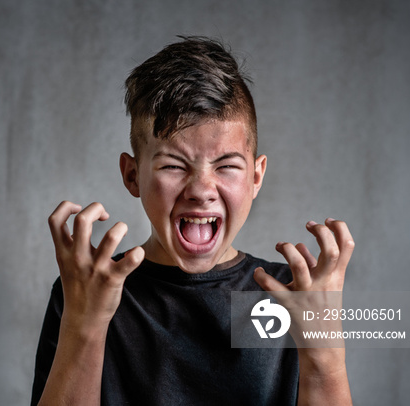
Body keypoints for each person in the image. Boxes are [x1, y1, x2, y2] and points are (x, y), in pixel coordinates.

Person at [31, 36, 354, 405]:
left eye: (227, 166)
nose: (201, 190)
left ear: (256, 177)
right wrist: (84, 327)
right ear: (132, 175)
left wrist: (325, 356)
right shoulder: (84, 290)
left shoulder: (294, 296)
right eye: (172, 165)